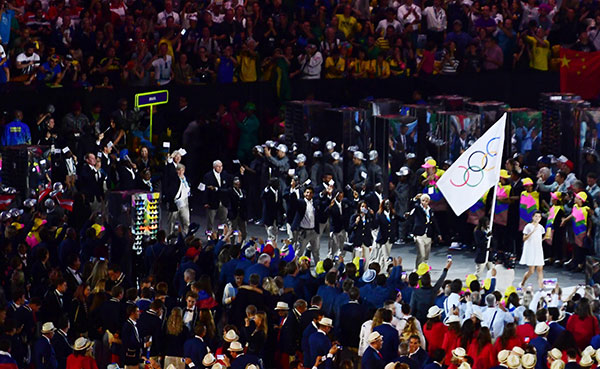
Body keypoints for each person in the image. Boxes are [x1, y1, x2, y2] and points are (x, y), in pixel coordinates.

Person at [408, 194, 441, 269]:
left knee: (426, 255)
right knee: (421, 254)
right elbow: (411, 206)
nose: (424, 202)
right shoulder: (418, 208)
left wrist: (438, 233)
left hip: (428, 234)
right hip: (419, 233)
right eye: (423, 200)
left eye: (426, 201)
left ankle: (424, 269)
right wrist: (414, 199)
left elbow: (434, 222)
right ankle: (417, 268)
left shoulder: (430, 210)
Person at [519, 211, 545, 289]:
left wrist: (545, 237)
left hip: (538, 249)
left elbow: (539, 239)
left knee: (540, 269)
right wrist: (532, 232)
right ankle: (523, 283)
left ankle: (541, 286)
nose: (537, 218)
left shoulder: (541, 227)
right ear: (533, 217)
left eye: (539, 217)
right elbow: (524, 239)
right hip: (531, 250)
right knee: (531, 271)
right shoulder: (528, 226)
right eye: (536, 216)